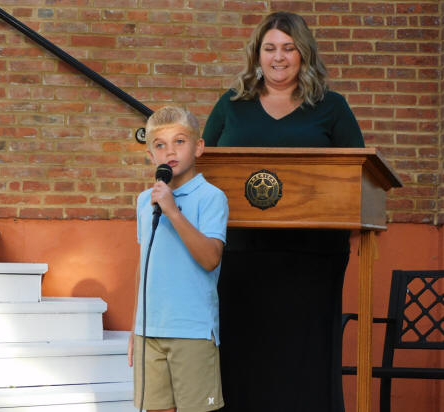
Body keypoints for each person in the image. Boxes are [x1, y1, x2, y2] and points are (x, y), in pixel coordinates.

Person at [202, 11, 365, 412]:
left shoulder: (332, 108)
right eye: (270, 48)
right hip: (241, 255)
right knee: (243, 356)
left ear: (304, 53)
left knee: (305, 362)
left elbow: (357, 176)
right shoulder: (231, 105)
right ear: (257, 54)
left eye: (289, 48)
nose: (279, 57)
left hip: (312, 258)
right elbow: (204, 170)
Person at [128, 106, 229, 412]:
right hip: (149, 330)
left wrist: (172, 211)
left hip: (192, 330)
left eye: (180, 141)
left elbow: (210, 258)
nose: (170, 151)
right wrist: (135, 327)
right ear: (151, 155)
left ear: (198, 147)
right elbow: (144, 263)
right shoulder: (144, 201)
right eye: (160, 145)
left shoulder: (211, 197)